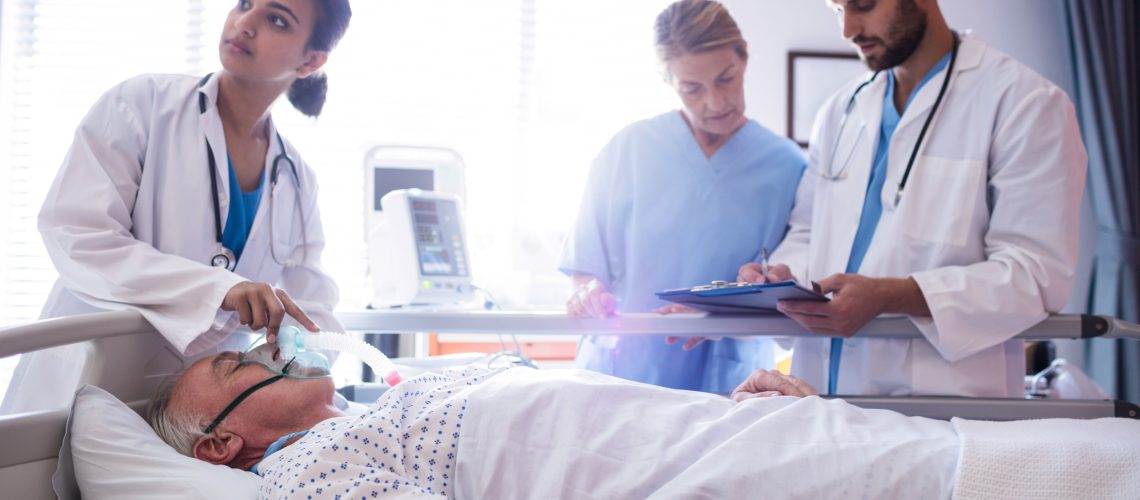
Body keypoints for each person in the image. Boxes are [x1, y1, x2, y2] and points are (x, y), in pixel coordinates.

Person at [1, 0, 352, 414]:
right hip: (86, 382)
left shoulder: (296, 176)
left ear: (311, 60)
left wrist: (308, 368)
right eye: (244, 3)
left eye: (276, 19)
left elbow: (311, 309)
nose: (245, 23)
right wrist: (219, 290)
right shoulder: (143, 105)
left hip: (200, 412)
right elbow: (77, 233)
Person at [149, 352, 1140, 499]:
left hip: (703, 433)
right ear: (222, 444)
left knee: (902, 450)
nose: (277, 354)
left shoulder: (373, 405)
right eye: (250, 367)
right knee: (918, 466)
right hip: (679, 473)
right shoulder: (307, 468)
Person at [738, 0, 1087, 397]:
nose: (848, 29)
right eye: (837, 9)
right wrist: (782, 275)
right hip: (816, 398)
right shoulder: (840, 110)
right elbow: (807, 233)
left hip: (940, 409)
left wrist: (893, 295)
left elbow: (1036, 276)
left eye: (863, 5)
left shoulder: (1024, 103)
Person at [559, 0, 805, 393]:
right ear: (668, 82)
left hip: (729, 382)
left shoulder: (788, 167)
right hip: (619, 372)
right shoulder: (627, 150)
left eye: (726, 78)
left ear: (744, 56)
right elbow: (584, 271)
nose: (715, 102)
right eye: (692, 89)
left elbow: (786, 285)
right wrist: (586, 296)